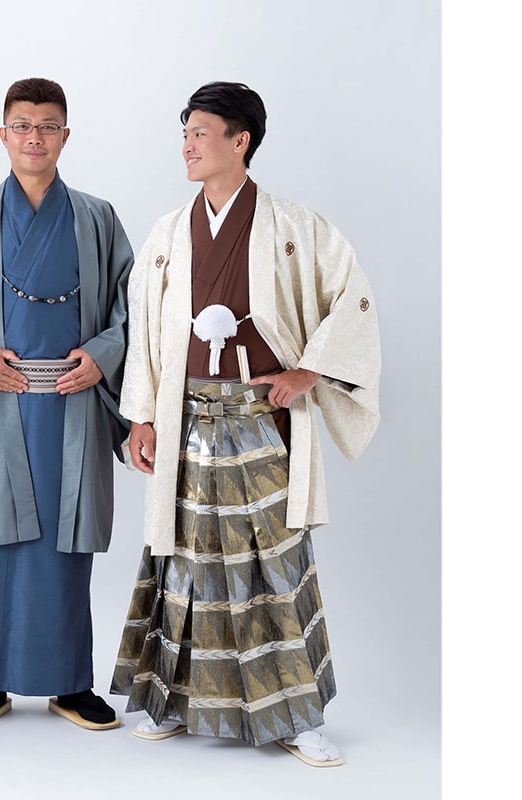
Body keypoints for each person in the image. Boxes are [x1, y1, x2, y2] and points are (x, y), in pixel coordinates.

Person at [110, 81, 381, 768]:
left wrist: (307, 372)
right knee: (186, 560)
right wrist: (141, 416)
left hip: (261, 420)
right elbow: (145, 331)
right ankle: (175, 702)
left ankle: (295, 714)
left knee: (273, 560)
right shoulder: (168, 233)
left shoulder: (294, 227)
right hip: (186, 419)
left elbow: (352, 300)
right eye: (185, 134)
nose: (188, 145)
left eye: (201, 133)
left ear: (241, 140)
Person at [0, 77, 133, 732]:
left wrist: (101, 355)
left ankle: (68, 682)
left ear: (65, 136)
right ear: (3, 134)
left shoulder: (97, 217)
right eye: (22, 125)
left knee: (62, 547)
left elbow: (132, 305)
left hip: (72, 405)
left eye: (48, 126)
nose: (34, 137)